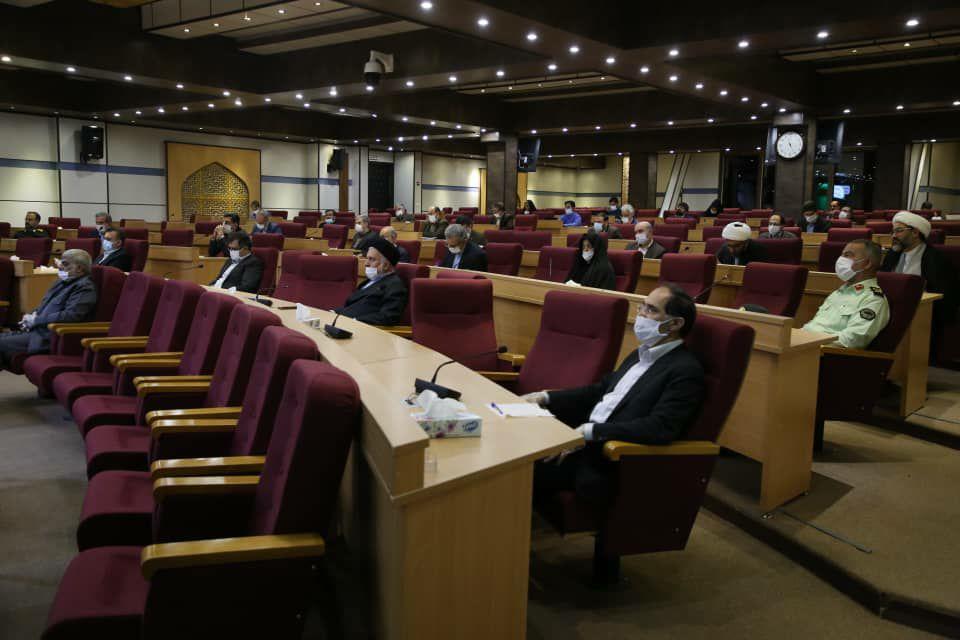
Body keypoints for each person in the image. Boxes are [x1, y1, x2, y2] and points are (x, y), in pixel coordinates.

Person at [523, 284, 705, 504]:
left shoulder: (685, 371)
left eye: (651, 310)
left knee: (518, 467)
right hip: (584, 440)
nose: (641, 315)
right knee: (518, 443)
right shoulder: (640, 354)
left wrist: (590, 432)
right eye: (642, 307)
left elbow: (659, 427)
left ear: (675, 323)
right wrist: (545, 397)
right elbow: (600, 390)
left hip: (607, 459)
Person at [0, 249, 97, 368]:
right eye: (61, 263)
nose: (60, 267)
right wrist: (30, 316)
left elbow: (71, 315)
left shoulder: (84, 288)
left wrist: (36, 320)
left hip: (47, 336)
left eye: (65, 264)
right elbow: (44, 305)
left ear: (79, 268)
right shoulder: (61, 282)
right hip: (35, 330)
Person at [881, 211, 959, 348]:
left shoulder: (936, 259)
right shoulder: (892, 254)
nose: (894, 236)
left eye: (899, 231)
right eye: (893, 231)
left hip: (922, 315)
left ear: (915, 233)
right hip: (889, 311)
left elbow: (944, 299)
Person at [803, 239, 890, 349]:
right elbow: (814, 325)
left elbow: (853, 340)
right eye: (842, 255)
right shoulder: (839, 292)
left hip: (822, 353)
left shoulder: (873, 299)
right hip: (805, 345)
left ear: (867, 264)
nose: (841, 259)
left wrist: (807, 343)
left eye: (848, 255)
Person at [335, 237, 408, 326]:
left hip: (358, 329)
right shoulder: (369, 281)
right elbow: (352, 306)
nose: (366, 263)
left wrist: (355, 321)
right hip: (342, 323)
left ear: (385, 265)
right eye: (367, 258)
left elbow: (388, 317)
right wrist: (334, 312)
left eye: (371, 259)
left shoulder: (395, 286)